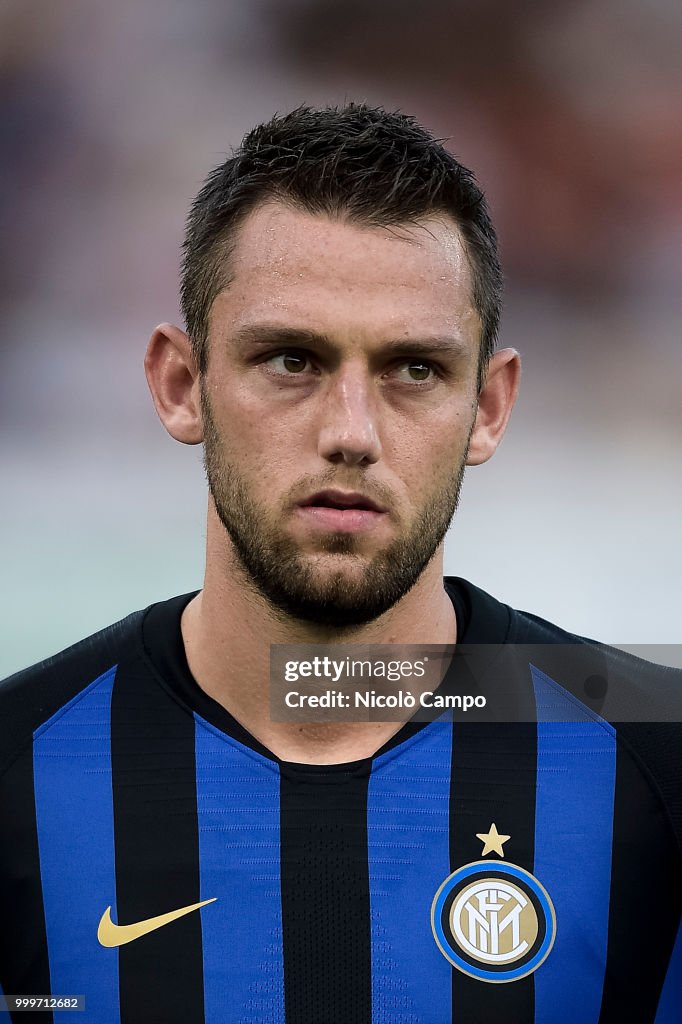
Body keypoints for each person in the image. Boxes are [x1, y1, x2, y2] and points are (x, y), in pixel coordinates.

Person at [0, 103, 680, 1024]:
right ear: (180, 384)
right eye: (291, 359)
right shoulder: (17, 774)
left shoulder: (658, 771)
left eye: (413, 370)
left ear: (488, 406)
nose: (350, 434)